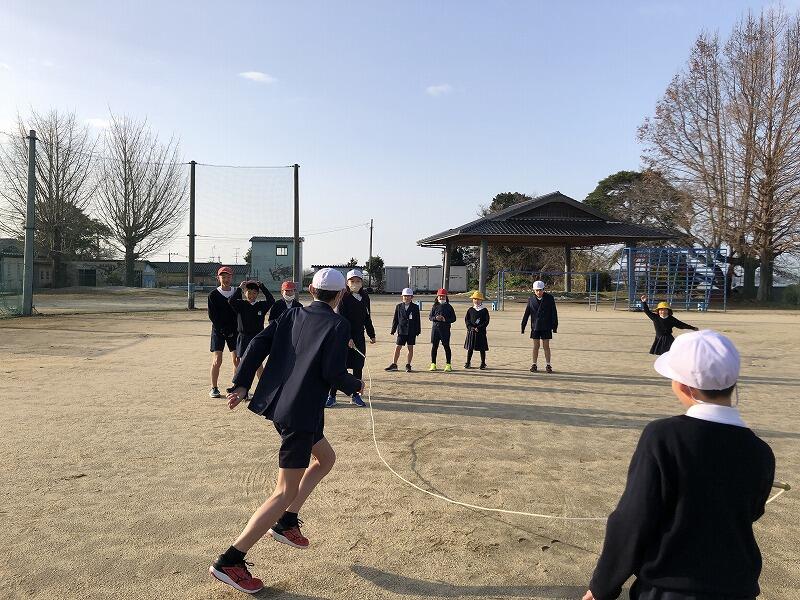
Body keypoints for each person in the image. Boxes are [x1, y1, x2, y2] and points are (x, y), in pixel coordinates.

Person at [583, 330, 775, 600]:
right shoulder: (760, 451)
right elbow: (752, 511)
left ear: (684, 386)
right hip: (736, 586)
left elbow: (633, 517)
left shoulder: (663, 436)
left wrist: (603, 585)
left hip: (671, 585)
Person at [210, 268, 363, 594]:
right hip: (299, 415)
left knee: (325, 459)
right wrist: (356, 384)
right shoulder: (338, 324)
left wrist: (241, 383)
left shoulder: (292, 315)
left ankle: (287, 521)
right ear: (340, 295)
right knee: (283, 492)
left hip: (286, 407)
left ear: (311, 291)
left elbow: (257, 343)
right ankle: (231, 560)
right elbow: (333, 373)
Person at [326, 269, 376, 408]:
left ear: (362, 282)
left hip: (359, 337)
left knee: (358, 367)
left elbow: (367, 316)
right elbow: (341, 319)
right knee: (339, 367)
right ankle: (332, 396)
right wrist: (347, 337)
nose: (355, 283)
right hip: (343, 338)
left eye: (358, 281)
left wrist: (371, 334)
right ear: (347, 283)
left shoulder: (365, 297)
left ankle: (356, 395)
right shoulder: (343, 297)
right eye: (352, 281)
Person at [229, 280, 276, 380]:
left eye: (254, 293)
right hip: (243, 337)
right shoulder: (240, 304)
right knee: (241, 362)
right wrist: (240, 288)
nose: (251, 295)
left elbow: (271, 300)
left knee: (258, 362)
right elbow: (231, 301)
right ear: (244, 292)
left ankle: (261, 386)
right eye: (249, 292)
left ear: (258, 294)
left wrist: (262, 286)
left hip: (257, 337)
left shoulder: (261, 305)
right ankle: (238, 385)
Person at [207, 266, 239, 398]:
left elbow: (239, 310)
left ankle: (236, 387)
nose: (226, 279)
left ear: (232, 278)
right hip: (218, 331)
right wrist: (223, 330)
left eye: (228, 277)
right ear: (218, 278)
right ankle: (214, 388)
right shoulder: (213, 295)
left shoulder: (236, 292)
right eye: (223, 277)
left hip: (234, 331)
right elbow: (213, 316)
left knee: (237, 360)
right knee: (217, 360)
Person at [521, 280, 558, 373]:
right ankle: (534, 364)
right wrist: (523, 326)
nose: (538, 292)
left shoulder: (549, 298)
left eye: (540, 290)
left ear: (543, 289)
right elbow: (527, 313)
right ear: (534, 290)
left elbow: (554, 312)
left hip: (546, 326)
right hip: (535, 326)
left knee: (546, 346)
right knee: (536, 346)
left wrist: (555, 326)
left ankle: (548, 365)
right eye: (536, 290)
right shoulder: (531, 299)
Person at [386, 287, 421, 372]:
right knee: (398, 347)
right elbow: (395, 319)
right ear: (402, 297)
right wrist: (393, 329)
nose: (406, 298)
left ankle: (408, 365)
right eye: (405, 296)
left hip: (411, 331)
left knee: (410, 348)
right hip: (401, 330)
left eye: (408, 296)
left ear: (412, 297)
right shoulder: (399, 306)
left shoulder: (415, 307)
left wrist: (418, 330)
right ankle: (394, 364)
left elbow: (417, 320)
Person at [428, 288, 457, 372]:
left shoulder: (449, 307)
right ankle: (433, 364)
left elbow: (454, 318)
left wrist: (445, 319)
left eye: (443, 296)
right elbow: (430, 317)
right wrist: (435, 318)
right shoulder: (434, 306)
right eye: (440, 296)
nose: (441, 298)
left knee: (446, 346)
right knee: (434, 346)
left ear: (446, 297)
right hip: (435, 329)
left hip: (445, 330)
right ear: (437, 297)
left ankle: (448, 364)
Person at [464, 291, 490, 369]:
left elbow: (486, 321)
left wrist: (479, 328)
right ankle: (468, 362)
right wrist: (471, 327)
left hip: (481, 332)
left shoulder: (484, 310)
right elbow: (467, 320)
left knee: (482, 348)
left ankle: (483, 363)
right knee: (470, 348)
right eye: (475, 299)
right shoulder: (470, 310)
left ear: (481, 300)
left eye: (478, 299)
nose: (476, 301)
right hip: (471, 332)